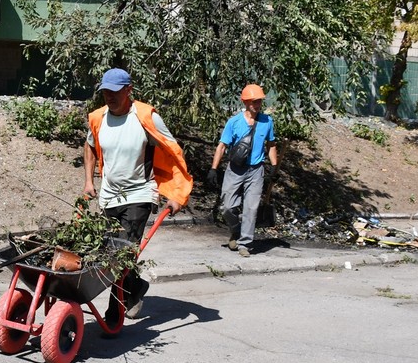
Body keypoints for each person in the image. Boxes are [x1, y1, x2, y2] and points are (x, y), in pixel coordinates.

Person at [84, 68, 192, 319]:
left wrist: (177, 194)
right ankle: (135, 287)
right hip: (109, 196)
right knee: (110, 250)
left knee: (121, 253)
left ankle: (114, 310)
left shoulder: (146, 117)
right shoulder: (98, 118)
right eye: (105, 92)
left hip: (139, 195)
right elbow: (89, 146)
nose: (108, 96)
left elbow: (174, 153)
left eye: (114, 91)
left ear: (128, 90)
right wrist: (89, 181)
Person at [207, 84, 278, 257]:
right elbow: (222, 146)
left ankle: (244, 243)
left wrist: (274, 167)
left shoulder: (267, 122)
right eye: (254, 101)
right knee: (227, 207)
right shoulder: (234, 122)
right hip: (235, 169)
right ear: (245, 102)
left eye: (259, 101)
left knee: (251, 208)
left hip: (256, 170)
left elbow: (271, 145)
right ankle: (236, 230)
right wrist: (213, 169)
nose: (257, 104)